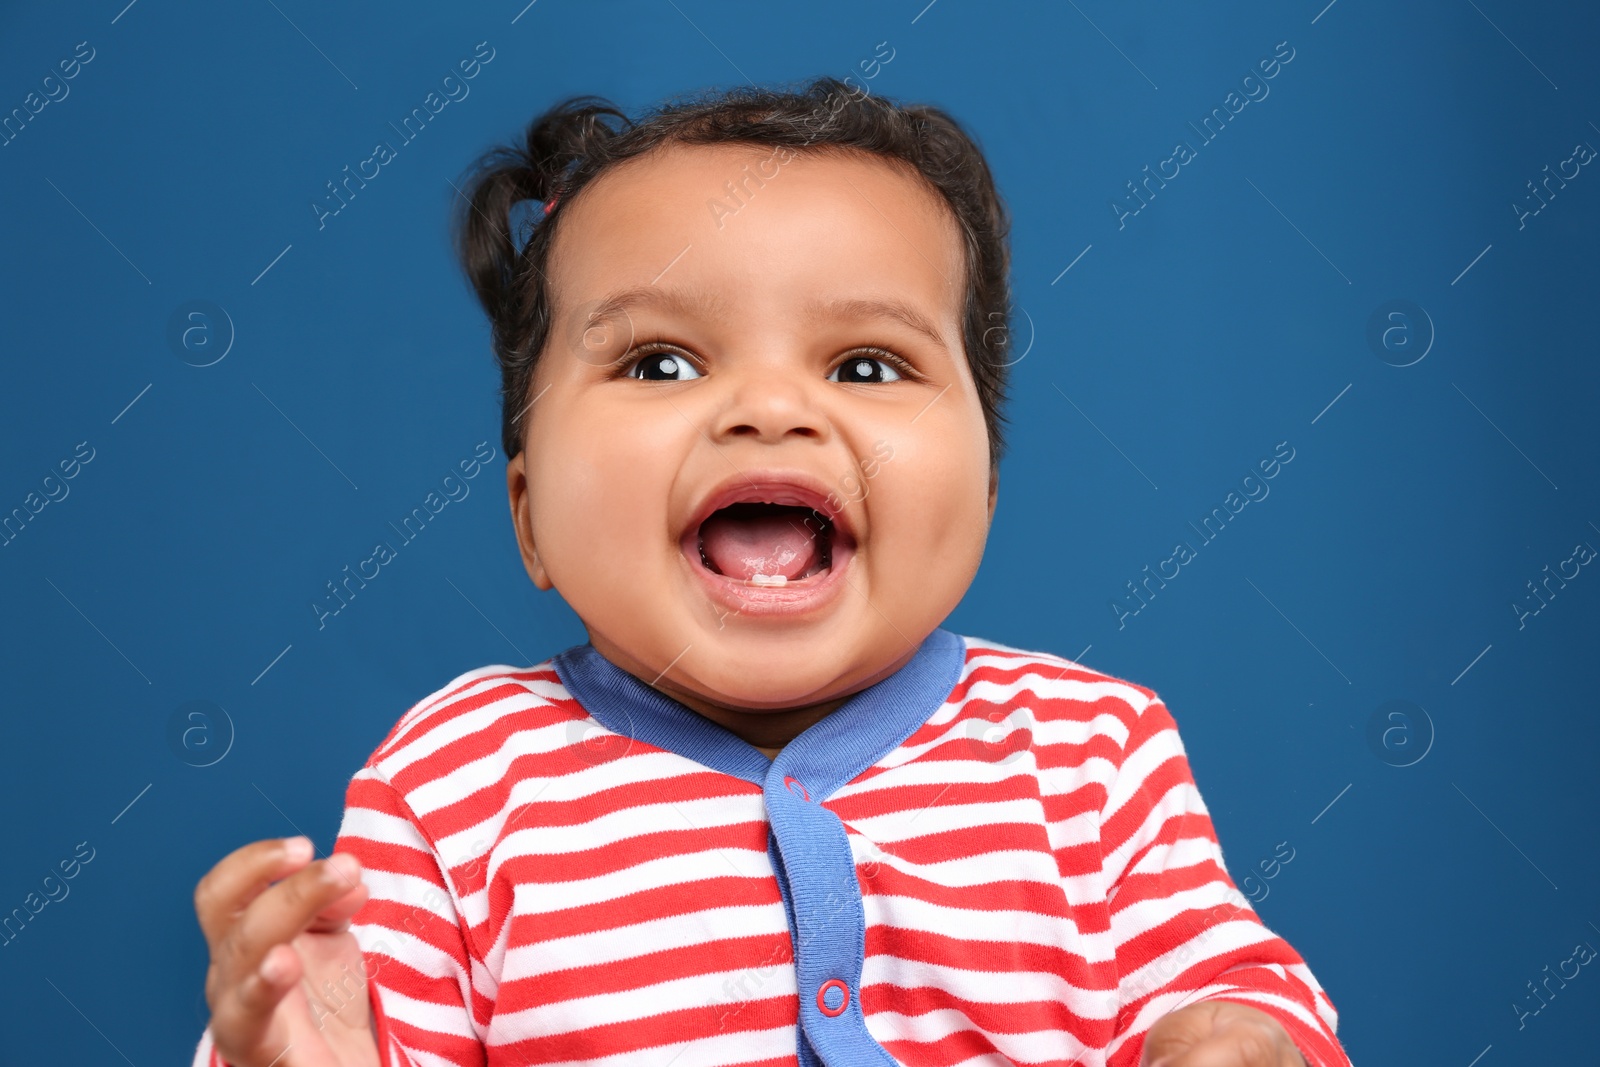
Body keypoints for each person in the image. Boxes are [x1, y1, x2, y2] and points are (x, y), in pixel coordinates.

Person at [190, 77, 1351, 1067]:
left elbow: (1233, 991)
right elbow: (352, 1027)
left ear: (985, 489)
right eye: (658, 360)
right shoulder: (456, 780)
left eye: (863, 362)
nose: (768, 408)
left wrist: (1229, 1033)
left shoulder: (1090, 752)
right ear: (530, 512)